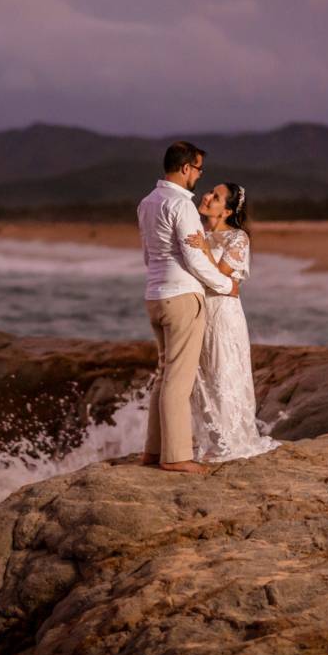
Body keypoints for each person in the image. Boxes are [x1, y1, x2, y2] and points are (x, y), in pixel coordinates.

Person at [137, 142, 239, 475]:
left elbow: (148, 256)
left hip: (155, 296)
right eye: (198, 169)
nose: (198, 176)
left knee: (164, 374)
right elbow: (195, 259)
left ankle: (152, 452)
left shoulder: (147, 203)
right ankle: (176, 456)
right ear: (185, 169)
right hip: (181, 297)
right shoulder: (182, 205)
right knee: (178, 382)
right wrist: (226, 286)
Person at [184, 183, 280, 462]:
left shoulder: (238, 238)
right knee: (203, 379)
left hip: (224, 316)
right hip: (199, 312)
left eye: (215, 197)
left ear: (226, 210)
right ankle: (212, 443)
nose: (207, 196)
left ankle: (232, 444)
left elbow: (223, 279)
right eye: (210, 192)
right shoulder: (199, 232)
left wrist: (203, 248)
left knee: (224, 375)